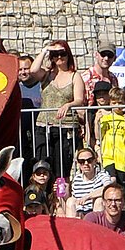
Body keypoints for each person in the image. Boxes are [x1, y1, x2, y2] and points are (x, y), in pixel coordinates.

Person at [28, 40, 86, 178]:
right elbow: (33, 70)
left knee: (62, 169)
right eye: (55, 54)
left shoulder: (75, 76)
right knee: (42, 168)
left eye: (62, 53)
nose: (59, 57)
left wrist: (68, 105)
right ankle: (46, 197)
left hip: (65, 127)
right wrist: (45, 50)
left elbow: (79, 100)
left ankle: (61, 198)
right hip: (44, 126)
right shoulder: (47, 74)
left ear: (68, 55)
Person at [94, 85, 125, 190]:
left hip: (122, 158)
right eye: (114, 103)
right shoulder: (105, 118)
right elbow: (98, 136)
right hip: (107, 156)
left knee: (121, 187)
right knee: (111, 181)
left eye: (120, 103)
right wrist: (96, 122)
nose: (117, 106)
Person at [66, 147, 111, 216]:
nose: (86, 163)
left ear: (95, 161)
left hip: (95, 210)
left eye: (89, 160)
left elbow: (108, 188)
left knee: (99, 201)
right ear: (78, 163)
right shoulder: (76, 179)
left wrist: (88, 196)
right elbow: (74, 198)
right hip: (80, 211)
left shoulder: (102, 175)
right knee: (70, 201)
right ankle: (72, 226)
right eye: (82, 161)